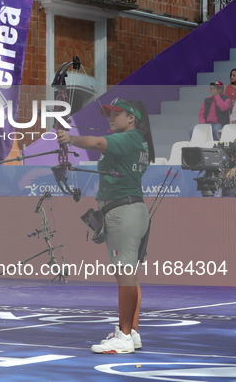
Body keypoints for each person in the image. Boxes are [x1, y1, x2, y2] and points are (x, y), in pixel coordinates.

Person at [56, 98, 155, 354]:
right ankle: (131, 333)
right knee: (130, 275)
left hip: (123, 213)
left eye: (116, 114)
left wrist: (71, 139)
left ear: (131, 117)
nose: (110, 119)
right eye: (108, 115)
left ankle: (122, 336)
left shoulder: (128, 139)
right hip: (132, 211)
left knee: (124, 275)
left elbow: (98, 143)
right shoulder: (138, 140)